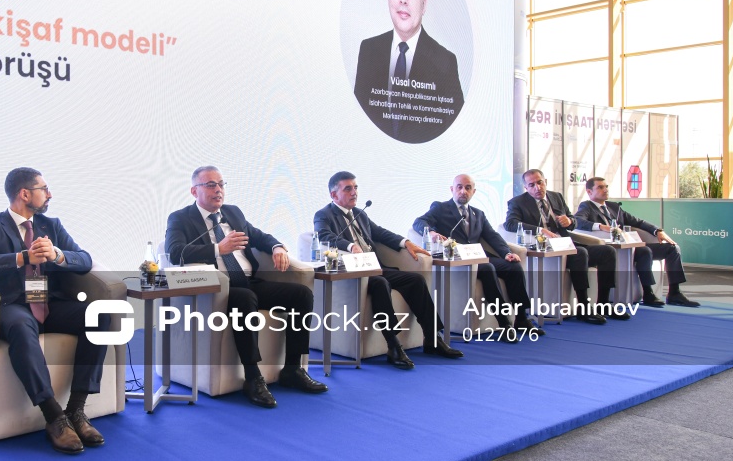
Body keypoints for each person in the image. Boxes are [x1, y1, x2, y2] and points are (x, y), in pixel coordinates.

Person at [0, 168, 107, 455]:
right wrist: (22, 257)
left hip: (50, 303)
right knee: (20, 327)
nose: (49, 194)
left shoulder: (51, 225)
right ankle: (53, 416)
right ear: (25, 194)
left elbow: (85, 259)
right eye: (44, 189)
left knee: (101, 314)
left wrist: (58, 255)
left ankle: (76, 409)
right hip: (15, 305)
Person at [164, 166, 327, 408]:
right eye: (211, 185)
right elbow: (175, 252)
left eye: (221, 184)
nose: (218, 190)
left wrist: (277, 247)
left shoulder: (233, 213)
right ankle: (253, 378)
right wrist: (219, 248)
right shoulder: (180, 218)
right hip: (217, 289)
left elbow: (260, 236)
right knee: (245, 299)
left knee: (301, 295)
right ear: (194, 191)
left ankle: (293, 369)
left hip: (249, 281)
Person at [313, 171, 464, 369]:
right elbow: (324, 235)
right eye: (348, 189)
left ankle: (432, 338)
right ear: (334, 195)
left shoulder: (359, 213)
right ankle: (393, 344)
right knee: (380, 283)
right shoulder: (324, 215)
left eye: (356, 187)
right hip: (352, 272)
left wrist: (405, 242)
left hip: (375, 266)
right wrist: (350, 246)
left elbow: (379, 233)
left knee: (415, 280)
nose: (354, 192)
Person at [353, 0, 465, 143]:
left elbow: (457, 133)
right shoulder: (368, 51)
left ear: (424, 4)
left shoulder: (445, 62)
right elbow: (356, 123)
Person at [412, 174, 543, 339]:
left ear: (473, 192)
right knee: (487, 268)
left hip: (477, 256)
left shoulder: (478, 214)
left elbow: (493, 236)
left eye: (468, 188)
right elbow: (419, 222)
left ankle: (522, 318)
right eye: (459, 187)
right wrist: (431, 232)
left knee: (513, 266)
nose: (463, 191)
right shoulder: (440, 208)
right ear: (452, 189)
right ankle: (504, 323)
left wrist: (507, 253)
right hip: (456, 259)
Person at [504, 169, 617, 322]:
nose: (537, 187)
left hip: (565, 244)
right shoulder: (518, 202)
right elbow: (510, 224)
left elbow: (573, 220)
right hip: (546, 248)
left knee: (608, 252)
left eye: (540, 182)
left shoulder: (556, 197)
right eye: (531, 185)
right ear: (526, 187)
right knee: (580, 253)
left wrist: (569, 221)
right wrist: (540, 230)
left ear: (545, 182)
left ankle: (603, 304)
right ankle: (583, 306)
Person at [576, 177, 700, 308]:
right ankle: (648, 293)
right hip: (613, 250)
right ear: (589, 192)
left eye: (606, 187)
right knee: (644, 251)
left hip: (631, 245)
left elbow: (638, 222)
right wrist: (601, 227)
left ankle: (674, 293)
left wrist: (657, 231)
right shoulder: (587, 206)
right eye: (600, 187)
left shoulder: (614, 207)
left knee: (672, 248)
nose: (605, 190)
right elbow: (578, 220)